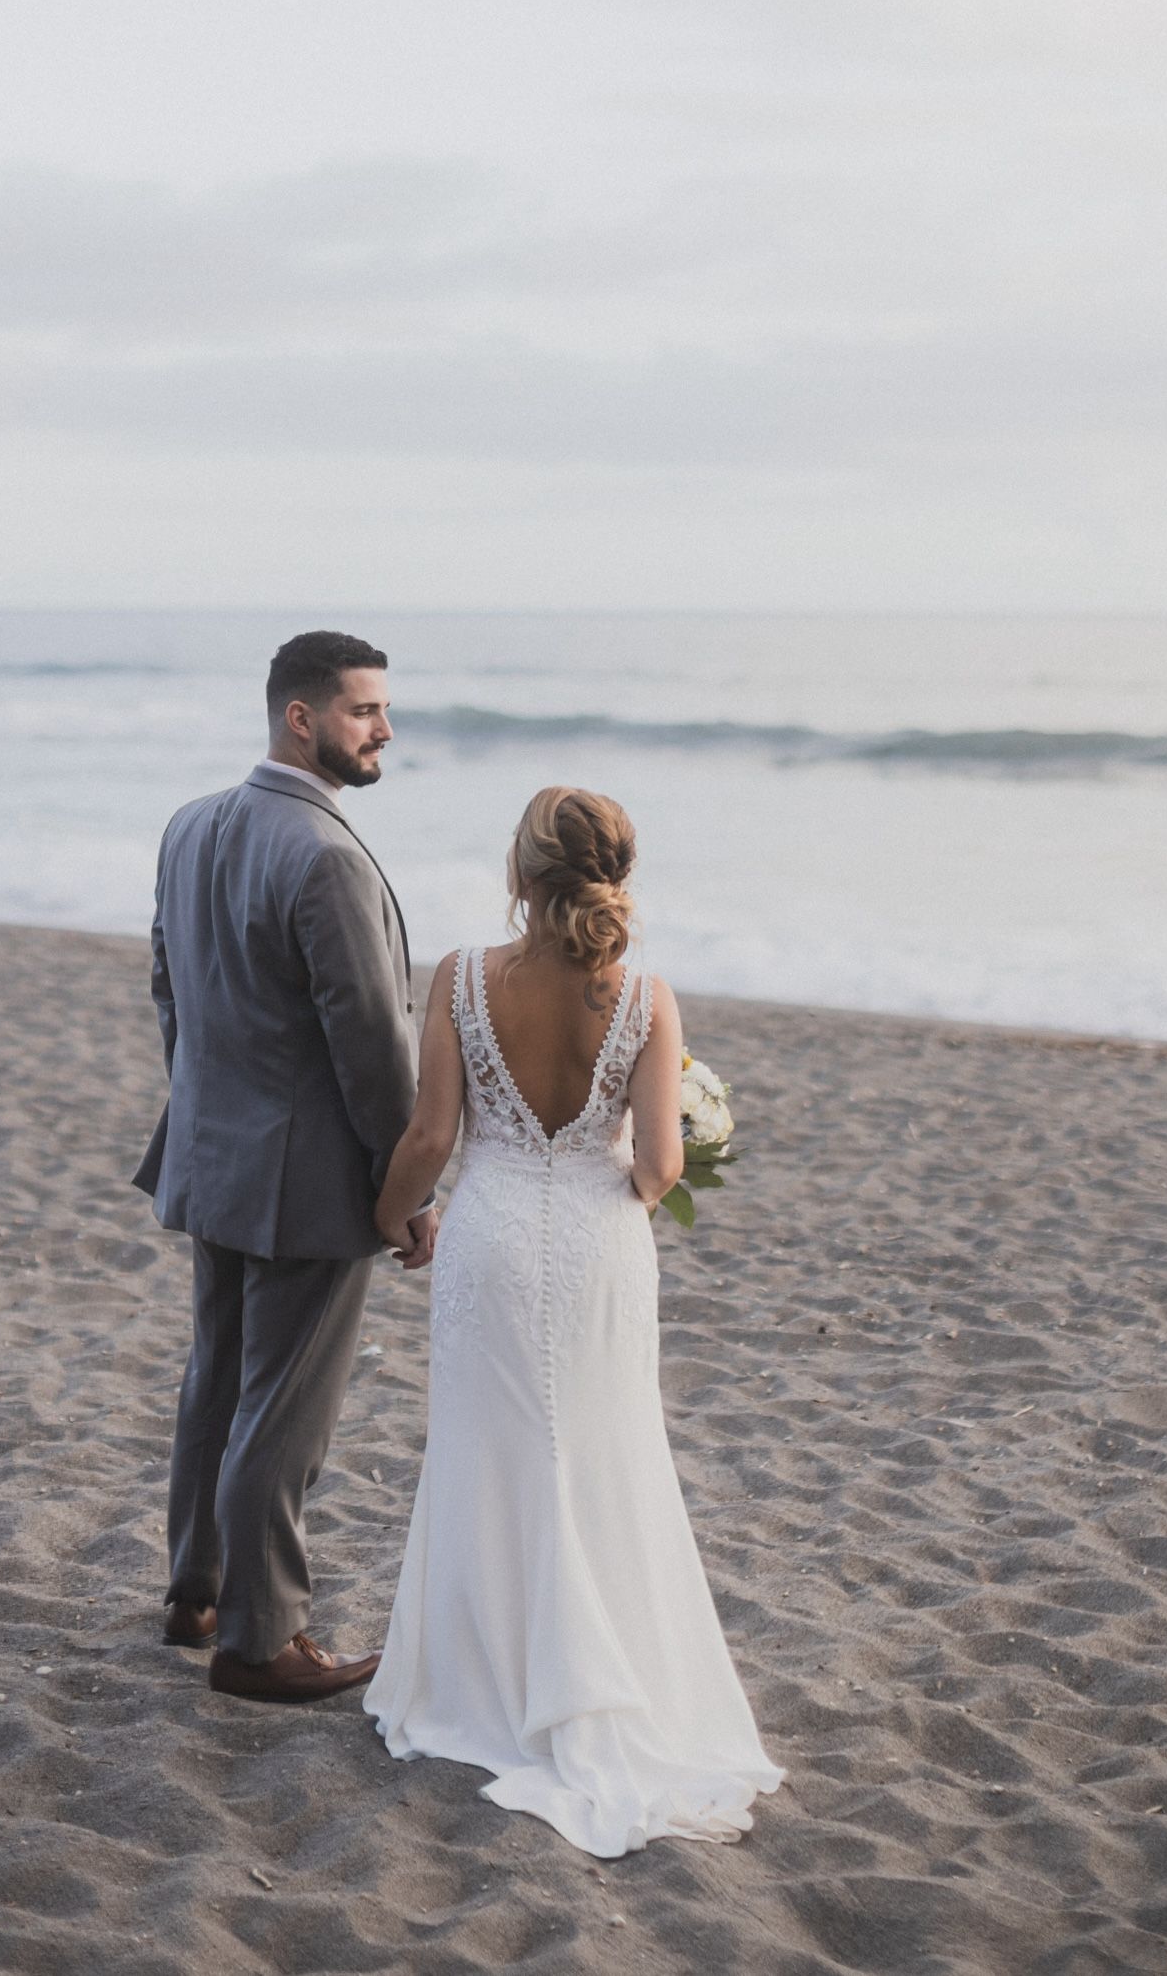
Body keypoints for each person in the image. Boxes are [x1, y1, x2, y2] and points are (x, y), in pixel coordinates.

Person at [363, 786, 782, 1855]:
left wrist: (390, 1211)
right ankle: (604, 1680)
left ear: (521, 870)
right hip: (599, 1248)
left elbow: (430, 1132)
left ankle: (483, 1682)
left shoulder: (460, 976)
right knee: (601, 1454)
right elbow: (654, 1167)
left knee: (485, 1449)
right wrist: (637, 1169)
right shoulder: (644, 997)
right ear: (615, 873)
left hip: (490, 1235)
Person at [133, 630, 434, 1704]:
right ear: (299, 718)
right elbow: (368, 1043)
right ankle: (260, 1642)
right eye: (362, 710)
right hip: (305, 1180)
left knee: (216, 1378)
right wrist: (405, 1187)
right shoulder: (325, 856)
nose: (383, 729)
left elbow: (169, 984)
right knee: (281, 1408)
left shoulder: (188, 826)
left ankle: (195, 1590)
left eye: (383, 709)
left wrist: (205, 1104)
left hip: (211, 1153)